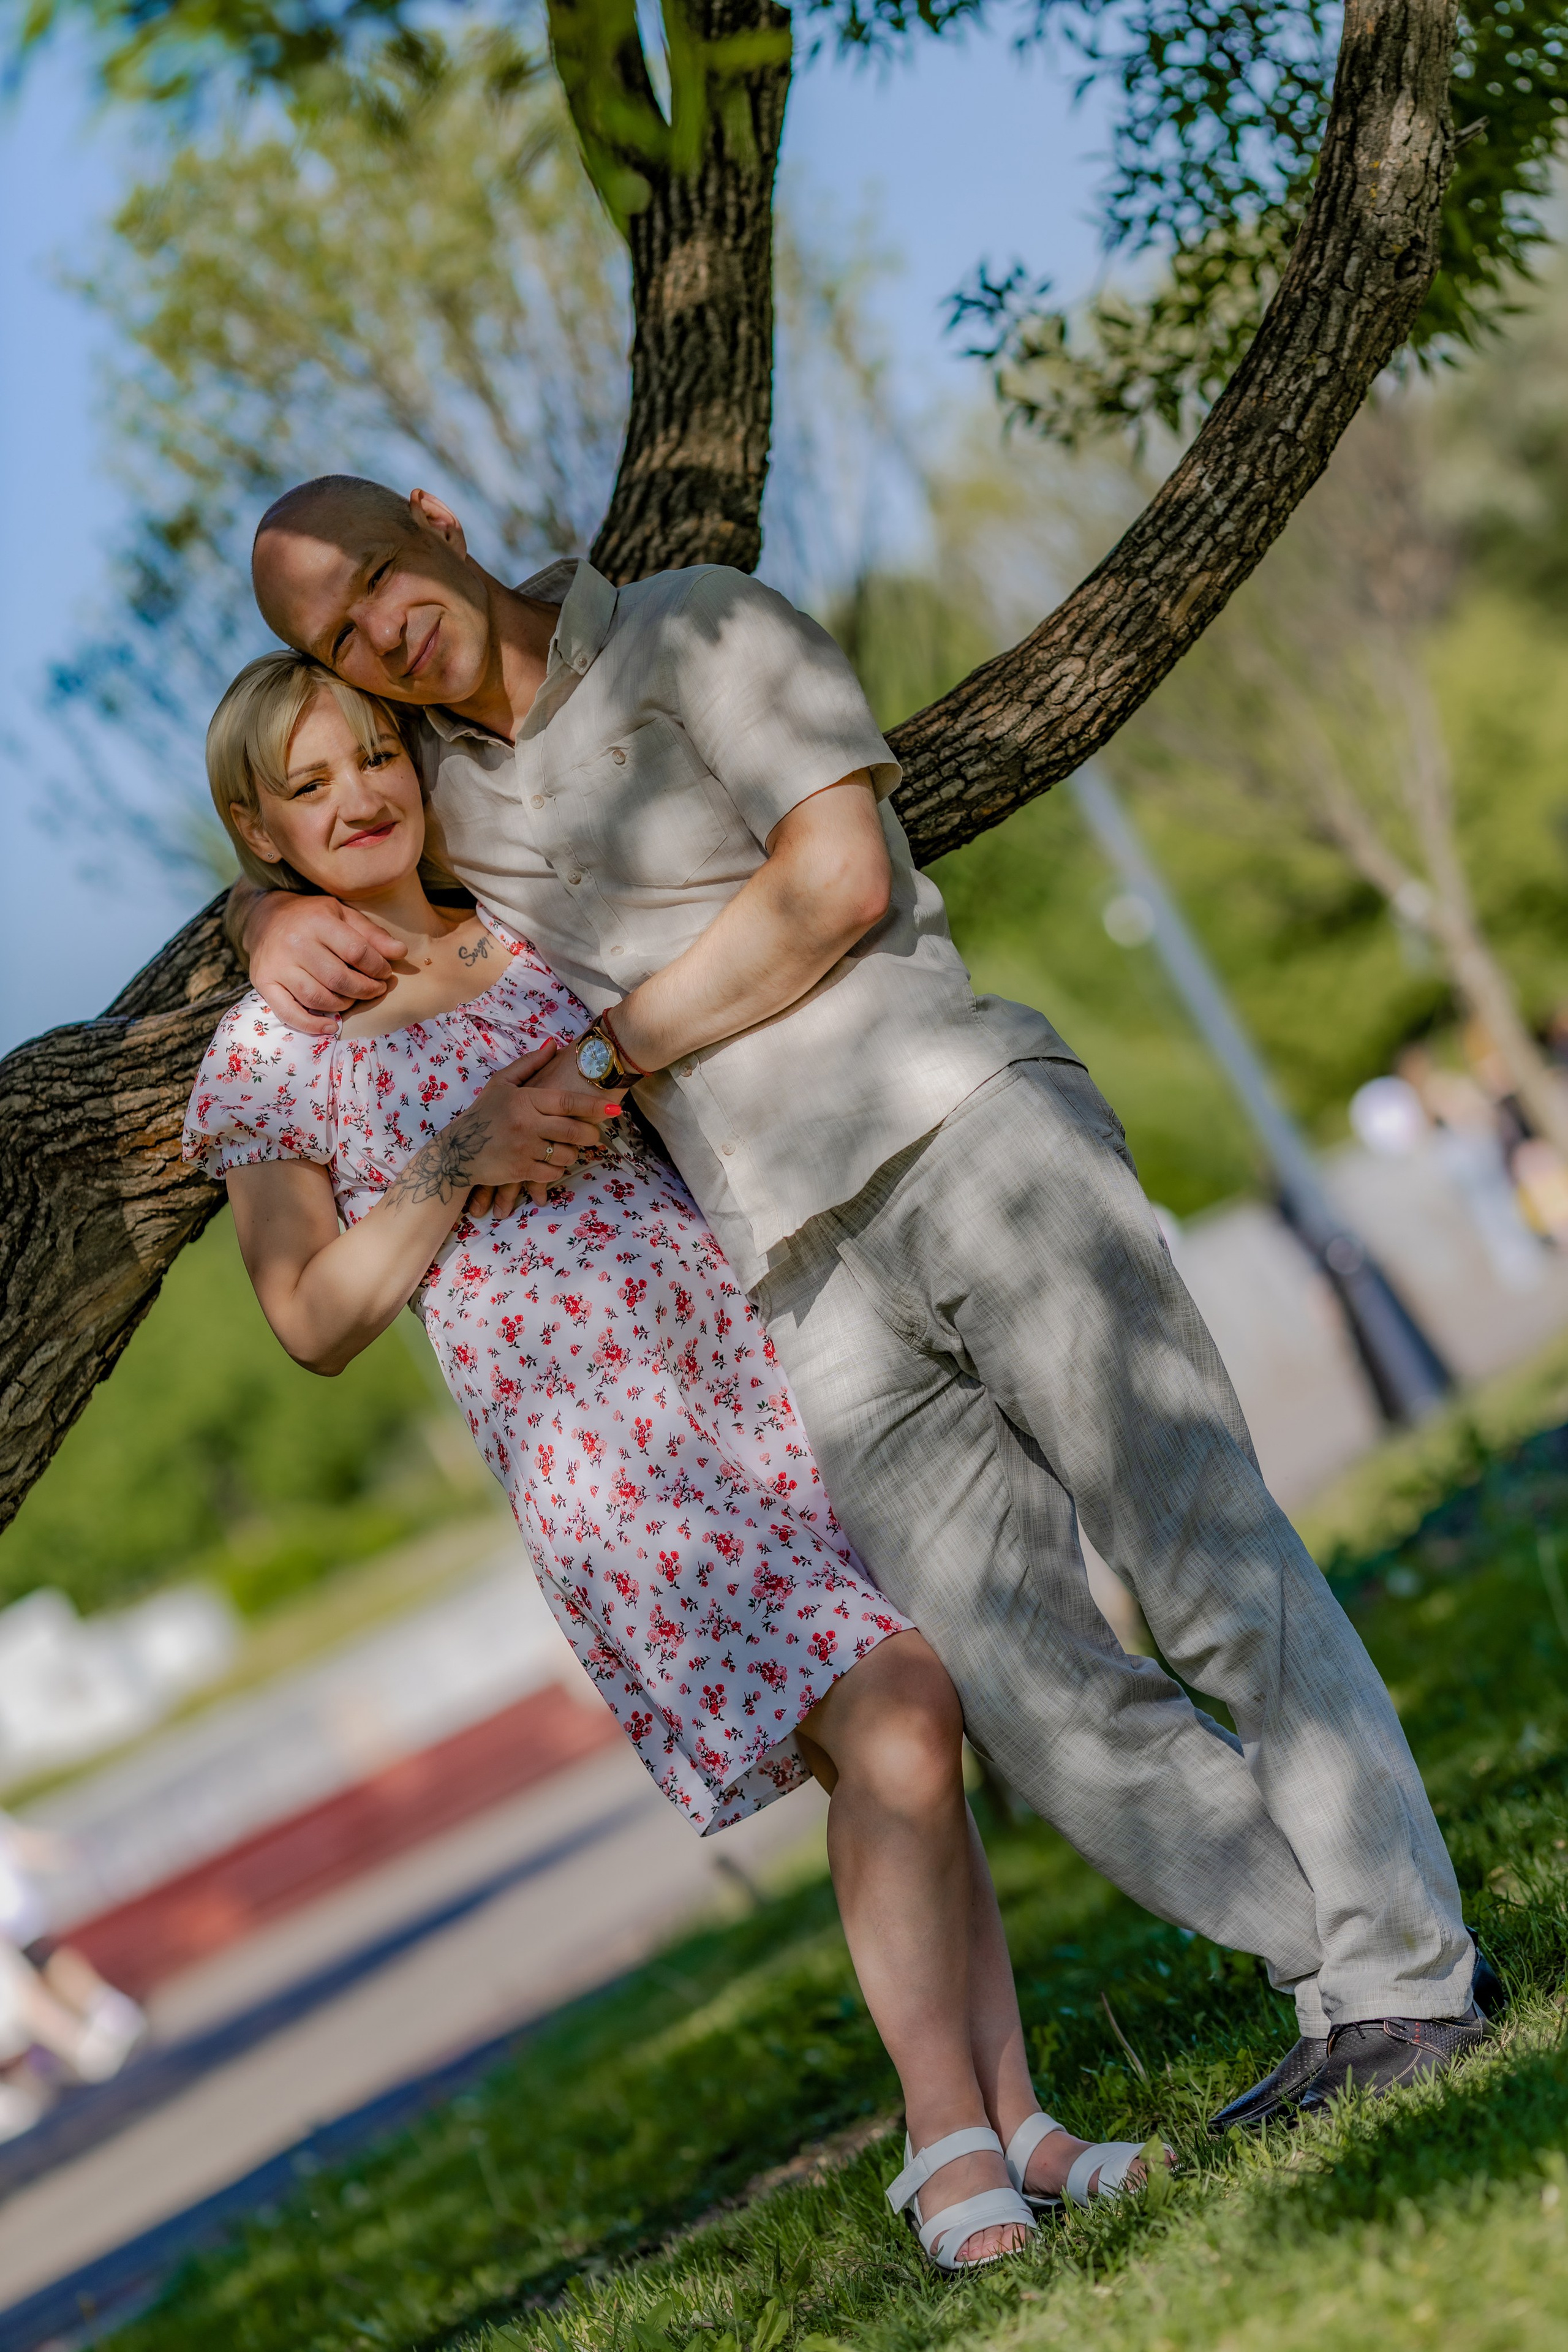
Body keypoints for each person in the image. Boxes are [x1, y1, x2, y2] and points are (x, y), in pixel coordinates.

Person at [237, 478, 1487, 2125]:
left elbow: (831, 884)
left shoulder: (698, 623)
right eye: (341, 637)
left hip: (963, 1131)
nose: (383, 630)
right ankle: (1351, 1979)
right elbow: (315, 849)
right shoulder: (441, 801)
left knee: (1203, 1565)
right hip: (792, 1270)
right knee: (1026, 1691)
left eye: (383, 579)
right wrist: (272, 920)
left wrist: (609, 1053)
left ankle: (1408, 1981)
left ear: (432, 520)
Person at [184, 650, 1172, 2271]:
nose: (361, 794)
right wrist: (453, 1159)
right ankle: (943, 2145)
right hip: (615, 1470)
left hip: (768, 1385)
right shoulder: (278, 1052)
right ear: (258, 825)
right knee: (905, 1710)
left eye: (376, 754)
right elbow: (311, 1317)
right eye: (311, 784)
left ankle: (1024, 2126)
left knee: (900, 1752)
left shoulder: (526, 934)